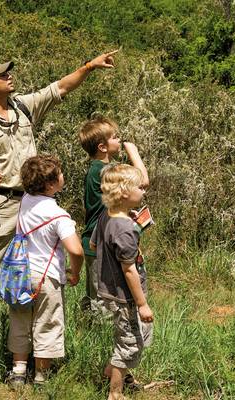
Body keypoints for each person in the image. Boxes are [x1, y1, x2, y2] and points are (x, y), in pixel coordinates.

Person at [0, 50, 119, 278]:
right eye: (2, 75)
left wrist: (90, 66)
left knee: (40, 260)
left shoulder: (23, 106)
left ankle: (32, 302)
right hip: (5, 203)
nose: (9, 76)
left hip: (38, 199)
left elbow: (60, 88)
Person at [6, 155, 84, 388]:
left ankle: (18, 371)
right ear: (51, 185)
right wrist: (76, 272)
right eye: (59, 173)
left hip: (20, 272)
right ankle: (41, 376)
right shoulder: (59, 215)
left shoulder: (26, 200)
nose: (63, 175)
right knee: (47, 322)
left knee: (20, 319)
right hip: (46, 277)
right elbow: (76, 250)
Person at [89, 164, 154, 400]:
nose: (143, 191)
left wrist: (130, 222)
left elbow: (94, 245)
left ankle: (115, 373)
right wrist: (142, 303)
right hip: (125, 296)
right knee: (128, 345)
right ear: (125, 193)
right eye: (139, 187)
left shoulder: (107, 216)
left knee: (133, 335)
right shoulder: (125, 229)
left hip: (109, 291)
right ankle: (115, 393)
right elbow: (129, 271)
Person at [78, 116, 148, 314]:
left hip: (100, 240)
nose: (119, 140)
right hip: (100, 243)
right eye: (115, 138)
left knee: (99, 296)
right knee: (102, 299)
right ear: (102, 146)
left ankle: (94, 329)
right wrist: (133, 151)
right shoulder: (102, 170)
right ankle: (99, 334)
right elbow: (142, 181)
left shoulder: (98, 169)